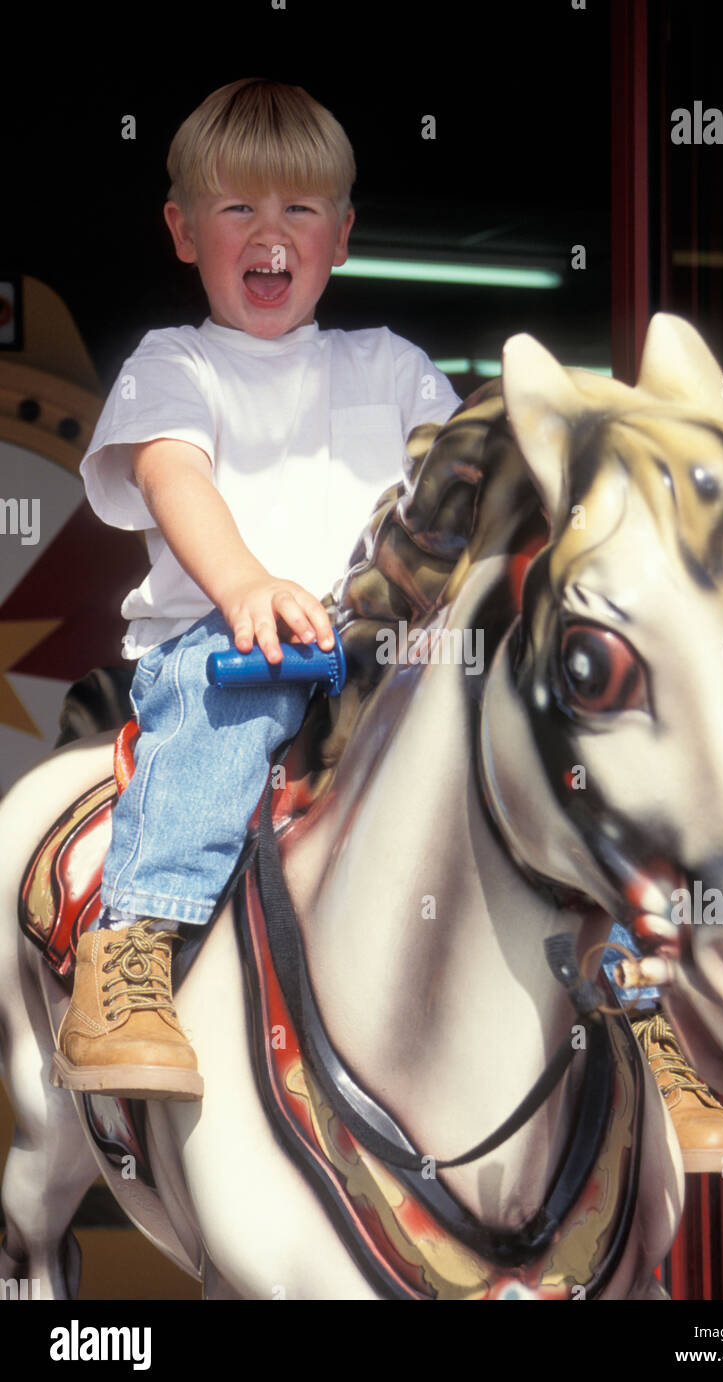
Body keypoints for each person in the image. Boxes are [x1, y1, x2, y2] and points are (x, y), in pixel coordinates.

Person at [50, 78, 461, 1103]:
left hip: (378, 656)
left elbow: (455, 479)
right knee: (234, 706)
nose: (269, 233)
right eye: (238, 209)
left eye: (299, 208)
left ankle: (620, 988)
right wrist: (244, 585)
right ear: (184, 231)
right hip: (227, 645)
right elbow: (172, 475)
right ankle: (132, 947)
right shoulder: (176, 363)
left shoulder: (393, 367)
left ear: (343, 233)